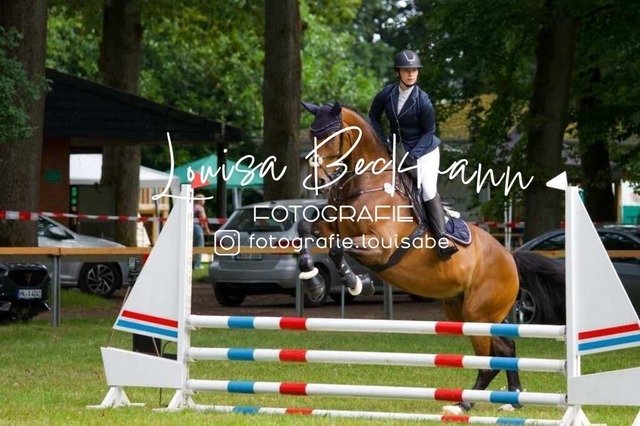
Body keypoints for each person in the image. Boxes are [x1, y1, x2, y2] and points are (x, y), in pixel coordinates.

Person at [369, 49, 458, 260]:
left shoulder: (423, 101)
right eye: (407, 70)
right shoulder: (387, 94)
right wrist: (383, 140)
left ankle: (442, 237)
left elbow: (429, 132)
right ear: (398, 72)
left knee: (427, 189)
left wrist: (414, 154)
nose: (411, 74)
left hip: (425, 150)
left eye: (414, 70)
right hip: (398, 149)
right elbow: (373, 117)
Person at [193, 193, 212, 269]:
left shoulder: (191, 206)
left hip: (189, 227)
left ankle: (192, 264)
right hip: (197, 227)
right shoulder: (200, 208)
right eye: (203, 199)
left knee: (192, 246)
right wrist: (207, 230)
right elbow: (203, 219)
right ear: (199, 200)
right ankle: (197, 264)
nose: (204, 201)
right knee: (199, 245)